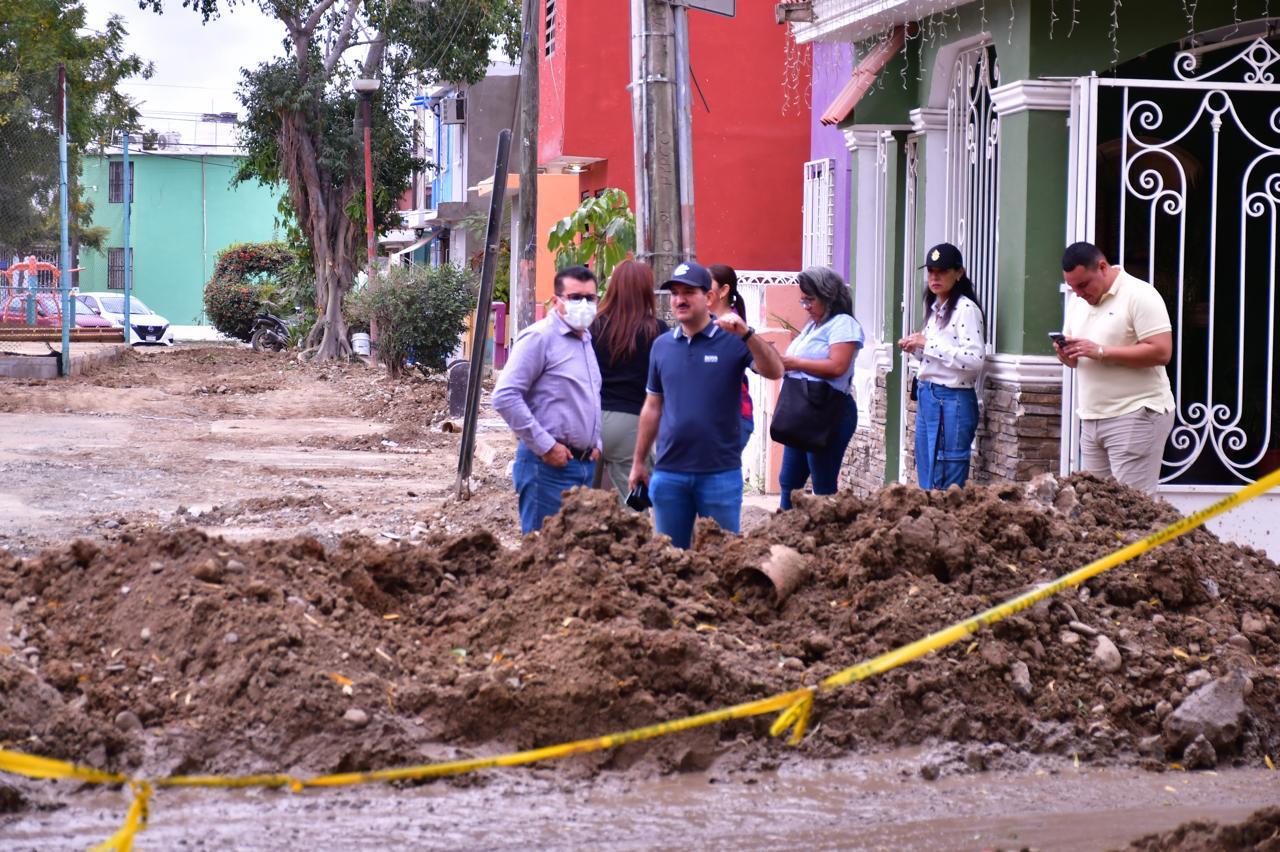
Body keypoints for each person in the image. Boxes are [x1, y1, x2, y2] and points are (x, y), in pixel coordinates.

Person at [628, 260, 785, 549]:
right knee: (671, 560)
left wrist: (749, 335)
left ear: (708, 297)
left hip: (719, 475)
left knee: (723, 557)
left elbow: (775, 371)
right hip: (669, 474)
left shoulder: (733, 340)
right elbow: (652, 405)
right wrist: (638, 462)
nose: (679, 299)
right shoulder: (662, 346)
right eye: (675, 293)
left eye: (688, 292)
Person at [1055, 241, 1175, 494]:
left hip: (1136, 413)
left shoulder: (1140, 294)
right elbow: (1079, 357)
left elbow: (1162, 351)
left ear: (1102, 267)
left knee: (1133, 511)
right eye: (1072, 287)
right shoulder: (1078, 302)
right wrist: (1067, 356)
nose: (1078, 293)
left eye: (1083, 285)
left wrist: (1101, 351)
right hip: (1091, 418)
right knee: (1096, 506)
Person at [492, 264, 602, 534]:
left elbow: (587, 398)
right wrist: (545, 446)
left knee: (575, 558)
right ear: (557, 301)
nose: (584, 304)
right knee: (544, 556)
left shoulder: (585, 339)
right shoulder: (539, 338)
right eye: (576, 298)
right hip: (548, 468)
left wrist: (597, 442)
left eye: (590, 298)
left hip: (584, 466)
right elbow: (505, 396)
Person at [898, 242, 985, 489]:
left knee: (945, 475)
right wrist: (915, 347)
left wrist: (929, 343)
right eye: (931, 271)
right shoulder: (936, 309)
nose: (935, 277)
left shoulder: (965, 309)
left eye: (943, 271)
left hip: (952, 399)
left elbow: (974, 360)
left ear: (959, 273)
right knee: (928, 471)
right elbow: (934, 356)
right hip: (929, 395)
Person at [777, 266, 864, 509]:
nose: (806, 306)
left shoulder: (843, 324)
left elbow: (837, 366)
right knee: (789, 480)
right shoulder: (812, 326)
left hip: (828, 411)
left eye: (810, 300)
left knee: (823, 482)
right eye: (803, 300)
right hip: (802, 411)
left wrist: (794, 363)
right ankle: (783, 533)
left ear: (829, 296)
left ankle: (829, 539)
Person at [590, 260, 668, 499]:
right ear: (646, 290)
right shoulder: (657, 330)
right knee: (634, 505)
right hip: (632, 424)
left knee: (581, 503)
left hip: (589, 421)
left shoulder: (593, 326)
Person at [708, 264, 756, 452]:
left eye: (706, 284)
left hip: (731, 419)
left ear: (723, 291)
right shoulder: (708, 323)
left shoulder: (733, 327)